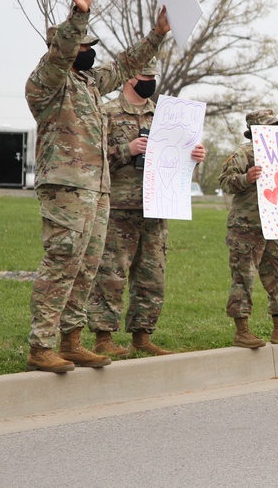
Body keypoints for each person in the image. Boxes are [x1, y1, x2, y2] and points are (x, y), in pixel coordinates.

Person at [24, 0, 168, 373]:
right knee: (61, 262)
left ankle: (71, 341)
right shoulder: (47, 83)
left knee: (86, 267)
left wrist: (157, 35)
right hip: (66, 187)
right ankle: (41, 345)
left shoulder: (88, 84)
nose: (88, 53)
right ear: (64, 48)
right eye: (82, 47)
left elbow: (123, 65)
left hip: (97, 190)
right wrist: (79, 15)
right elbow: (62, 54)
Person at [85, 58, 207, 358]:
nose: (150, 80)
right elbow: (91, 159)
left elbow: (176, 158)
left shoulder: (165, 117)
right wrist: (126, 150)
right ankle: (104, 337)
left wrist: (193, 155)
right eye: (145, 74)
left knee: (152, 276)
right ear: (129, 77)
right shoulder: (107, 112)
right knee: (111, 274)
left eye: (154, 75)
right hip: (119, 207)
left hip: (157, 204)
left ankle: (142, 335)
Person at [218, 109, 278, 349]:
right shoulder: (243, 152)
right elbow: (225, 182)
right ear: (255, 130)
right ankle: (242, 331)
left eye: (276, 126)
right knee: (243, 276)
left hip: (275, 224)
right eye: (269, 126)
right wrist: (246, 178)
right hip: (246, 226)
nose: (274, 131)